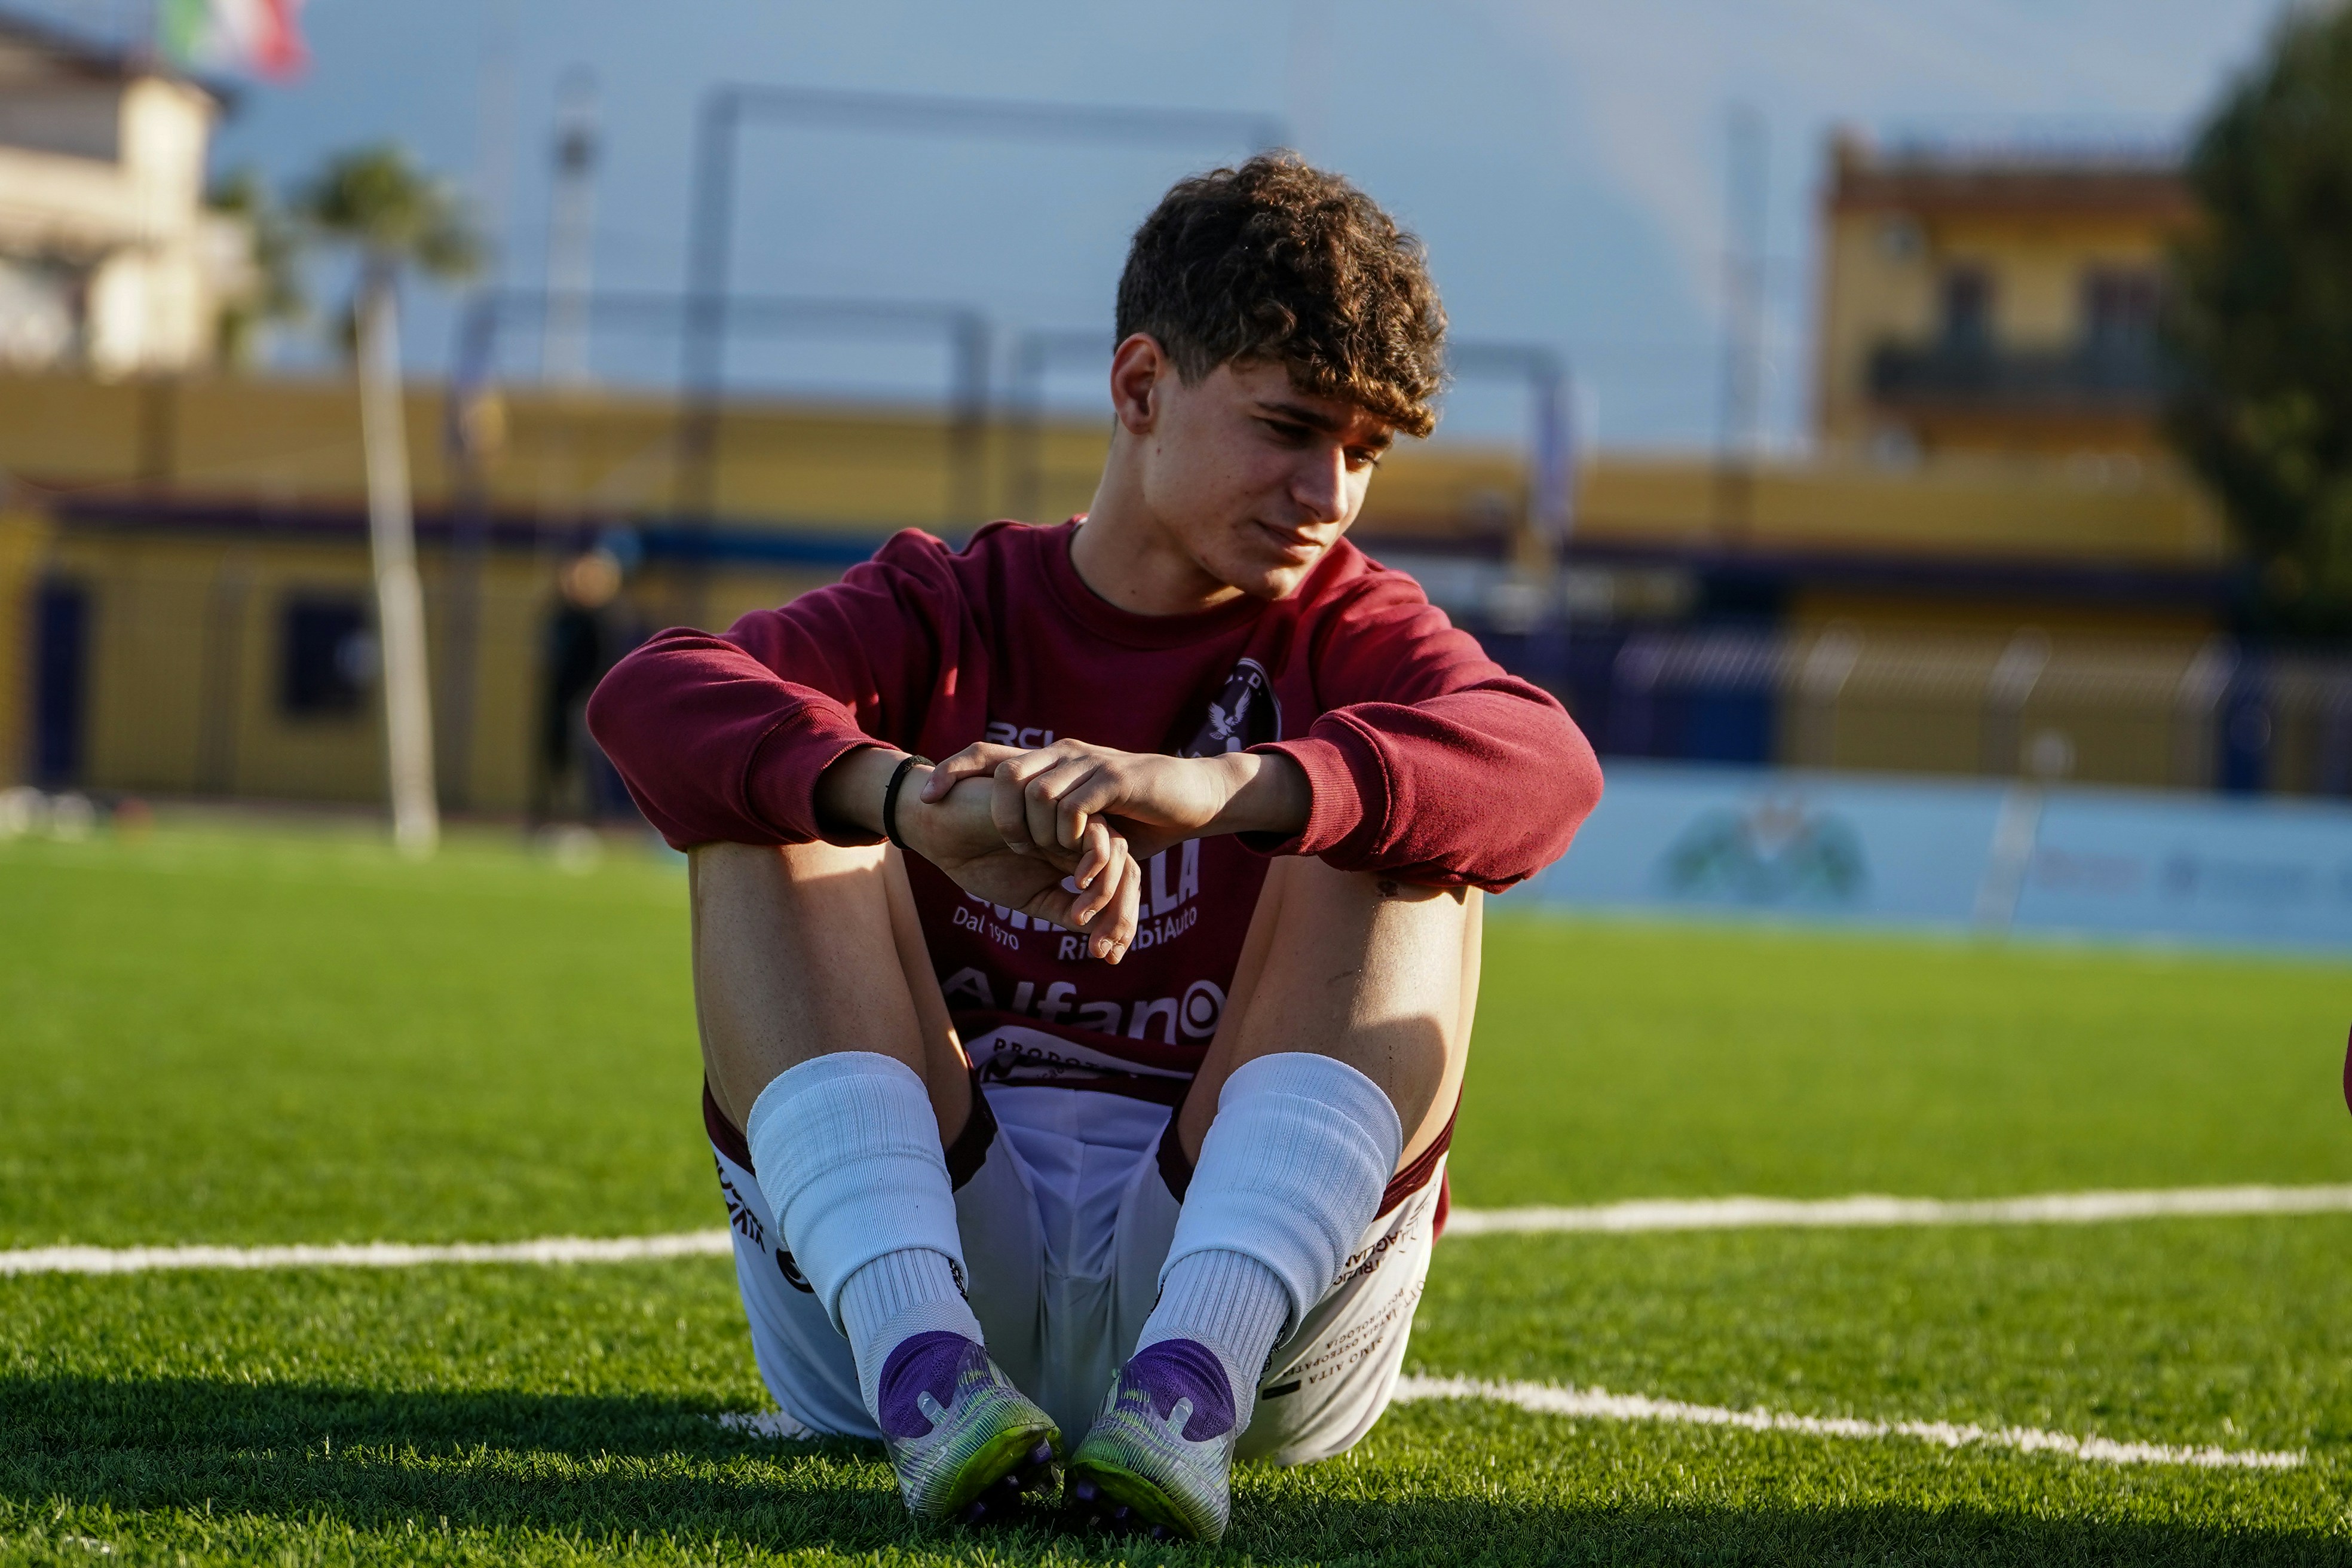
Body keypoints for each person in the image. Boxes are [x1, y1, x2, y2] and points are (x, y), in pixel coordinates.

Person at [587, 154, 1602, 1541]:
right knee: (772, 804)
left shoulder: (1349, 625)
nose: (1330, 492)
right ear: (1139, 389)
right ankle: (928, 1372)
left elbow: (1548, 766)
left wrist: (1226, 789)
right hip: (921, 1248)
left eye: (1365, 453)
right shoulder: (944, 604)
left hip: (1249, 1293)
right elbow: (650, 697)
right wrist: (903, 800)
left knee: (1405, 822)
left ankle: (1187, 1392)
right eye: (1290, 428)